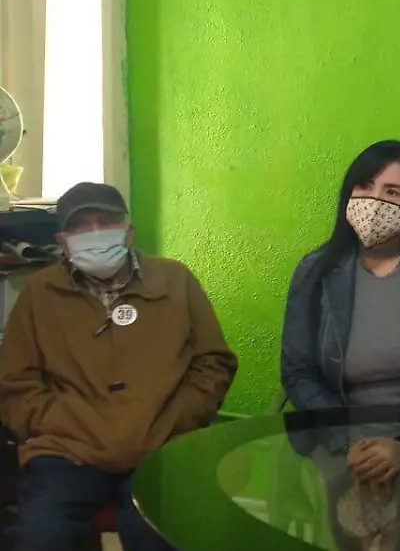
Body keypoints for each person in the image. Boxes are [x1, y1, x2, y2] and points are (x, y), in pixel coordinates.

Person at [0, 182, 237, 551]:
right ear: (62, 241)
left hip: (163, 449)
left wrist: (177, 419)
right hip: (68, 452)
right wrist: (61, 423)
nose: (95, 231)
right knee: (41, 537)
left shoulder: (175, 280)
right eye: (81, 225)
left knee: (160, 536)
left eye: (106, 220)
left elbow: (214, 363)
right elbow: (15, 382)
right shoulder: (38, 293)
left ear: (128, 231)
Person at [279, 140, 400, 543]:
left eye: (393, 192)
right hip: (336, 427)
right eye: (365, 186)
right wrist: (346, 442)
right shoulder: (315, 271)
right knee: (342, 489)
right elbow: (297, 371)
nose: (374, 202)